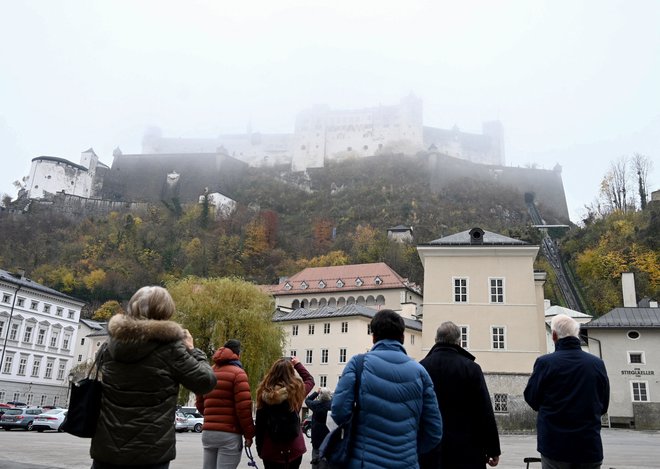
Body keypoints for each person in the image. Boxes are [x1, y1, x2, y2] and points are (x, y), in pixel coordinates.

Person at [90, 286, 217, 469]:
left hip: (106, 449)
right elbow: (206, 382)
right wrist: (193, 350)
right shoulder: (170, 349)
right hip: (149, 451)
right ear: (166, 312)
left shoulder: (109, 346)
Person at [331, 309, 443, 468]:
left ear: (374, 337)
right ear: (403, 338)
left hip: (364, 462)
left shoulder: (358, 364)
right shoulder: (420, 373)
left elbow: (339, 411)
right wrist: (409, 450)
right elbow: (434, 431)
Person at [524, 314, 610, 469]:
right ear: (576, 334)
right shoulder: (597, 364)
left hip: (555, 445)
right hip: (589, 444)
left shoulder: (545, 363)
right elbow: (603, 405)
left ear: (554, 335)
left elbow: (531, 397)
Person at [419, 321, 501, 469]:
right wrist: (493, 448)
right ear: (460, 342)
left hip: (431, 448)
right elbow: (484, 411)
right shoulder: (472, 368)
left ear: (435, 341)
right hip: (468, 449)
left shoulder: (422, 367)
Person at [196, 339, 256, 469]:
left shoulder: (208, 372)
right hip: (229, 433)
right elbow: (243, 409)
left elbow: (200, 404)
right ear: (237, 354)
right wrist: (249, 434)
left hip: (208, 432)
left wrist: (212, 417)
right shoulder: (238, 373)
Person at [255, 356, 315, 469]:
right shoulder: (296, 392)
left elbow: (260, 426)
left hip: (271, 450)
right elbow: (310, 380)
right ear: (291, 373)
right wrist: (297, 364)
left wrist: (260, 449)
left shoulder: (263, 394)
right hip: (294, 448)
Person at [304, 387, 333, 469]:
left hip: (316, 440)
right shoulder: (332, 405)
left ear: (320, 396)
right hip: (328, 440)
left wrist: (316, 392)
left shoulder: (316, 405)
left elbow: (307, 400)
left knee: (316, 461)